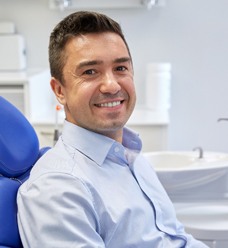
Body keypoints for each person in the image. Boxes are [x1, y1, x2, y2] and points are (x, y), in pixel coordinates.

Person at [17, 11, 208, 248]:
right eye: (90, 72)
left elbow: (176, 238)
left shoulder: (131, 156)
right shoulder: (57, 190)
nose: (111, 85)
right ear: (59, 90)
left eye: (120, 68)